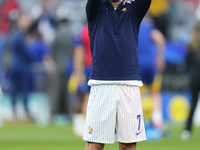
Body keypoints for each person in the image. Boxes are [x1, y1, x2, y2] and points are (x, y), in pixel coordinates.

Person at [83, 0, 151, 150]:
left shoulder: (134, 9)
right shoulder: (96, 7)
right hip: (101, 84)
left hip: (129, 84)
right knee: (94, 145)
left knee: (129, 146)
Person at [138, 14, 166, 130]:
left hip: (137, 63)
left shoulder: (132, 26)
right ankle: (157, 121)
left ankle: (139, 120)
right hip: (150, 63)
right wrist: (160, 57)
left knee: (138, 94)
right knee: (155, 92)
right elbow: (160, 39)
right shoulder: (149, 27)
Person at [180, 21, 200, 141]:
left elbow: (186, 63)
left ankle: (187, 130)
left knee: (193, 104)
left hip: (194, 77)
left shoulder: (191, 44)